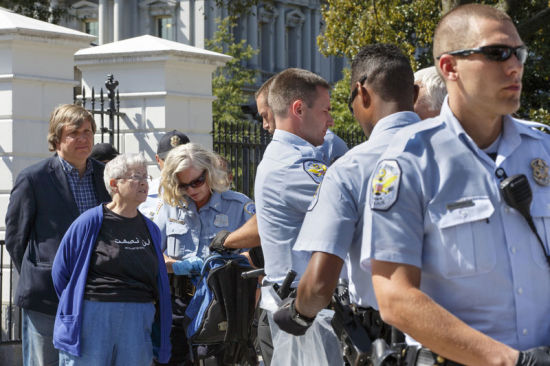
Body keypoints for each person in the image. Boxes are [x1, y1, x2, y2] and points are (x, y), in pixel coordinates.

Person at [363, 4, 550, 365]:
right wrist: (509, 361)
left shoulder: (543, 150)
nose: (515, 66)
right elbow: (394, 295)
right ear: (450, 67)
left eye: (520, 53)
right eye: (497, 53)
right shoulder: (410, 161)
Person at [273, 44, 420, 345]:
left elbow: (318, 285)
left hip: (388, 340)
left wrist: (297, 313)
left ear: (362, 94)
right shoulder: (464, 155)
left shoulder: (350, 169)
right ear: (414, 95)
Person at [5, 104, 111, 366]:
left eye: (88, 131)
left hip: (98, 293)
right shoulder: (34, 179)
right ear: (56, 138)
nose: (84, 139)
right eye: (75, 133)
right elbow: (16, 239)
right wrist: (42, 269)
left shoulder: (106, 176)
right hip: (48, 297)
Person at [254, 68, 341, 365]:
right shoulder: (291, 166)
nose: (330, 120)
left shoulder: (295, 158)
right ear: (299, 109)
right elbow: (353, 212)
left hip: (300, 304)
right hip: (298, 309)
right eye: (326, 110)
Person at [51, 153, 172, 365]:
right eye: (136, 176)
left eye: (146, 176)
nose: (144, 182)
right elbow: (62, 272)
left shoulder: (151, 228)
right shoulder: (90, 221)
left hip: (138, 317)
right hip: (94, 314)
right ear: (115, 184)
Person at [154, 142, 255, 364]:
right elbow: (152, 252)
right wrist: (175, 265)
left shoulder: (239, 206)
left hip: (222, 304)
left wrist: (222, 265)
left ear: (209, 172)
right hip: (178, 304)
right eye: (183, 185)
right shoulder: (170, 207)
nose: (191, 190)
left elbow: (259, 256)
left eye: (197, 181)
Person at [140, 130, 190, 220]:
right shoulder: (145, 192)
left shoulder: (200, 192)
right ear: (158, 159)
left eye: (180, 160)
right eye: (168, 160)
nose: (173, 165)